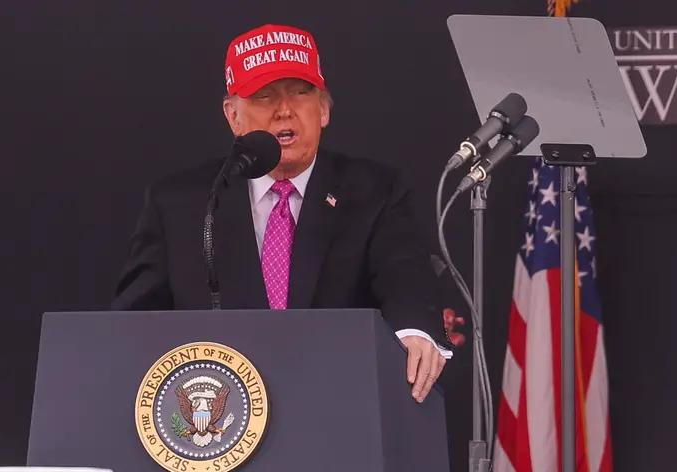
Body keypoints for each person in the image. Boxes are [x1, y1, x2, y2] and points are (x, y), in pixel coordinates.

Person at [112, 24, 454, 403]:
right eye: (265, 96)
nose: (285, 110)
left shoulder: (375, 191)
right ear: (233, 116)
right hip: (219, 417)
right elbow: (133, 325)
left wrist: (413, 332)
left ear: (323, 109)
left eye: (300, 93)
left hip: (338, 403)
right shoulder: (180, 204)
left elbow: (405, 276)